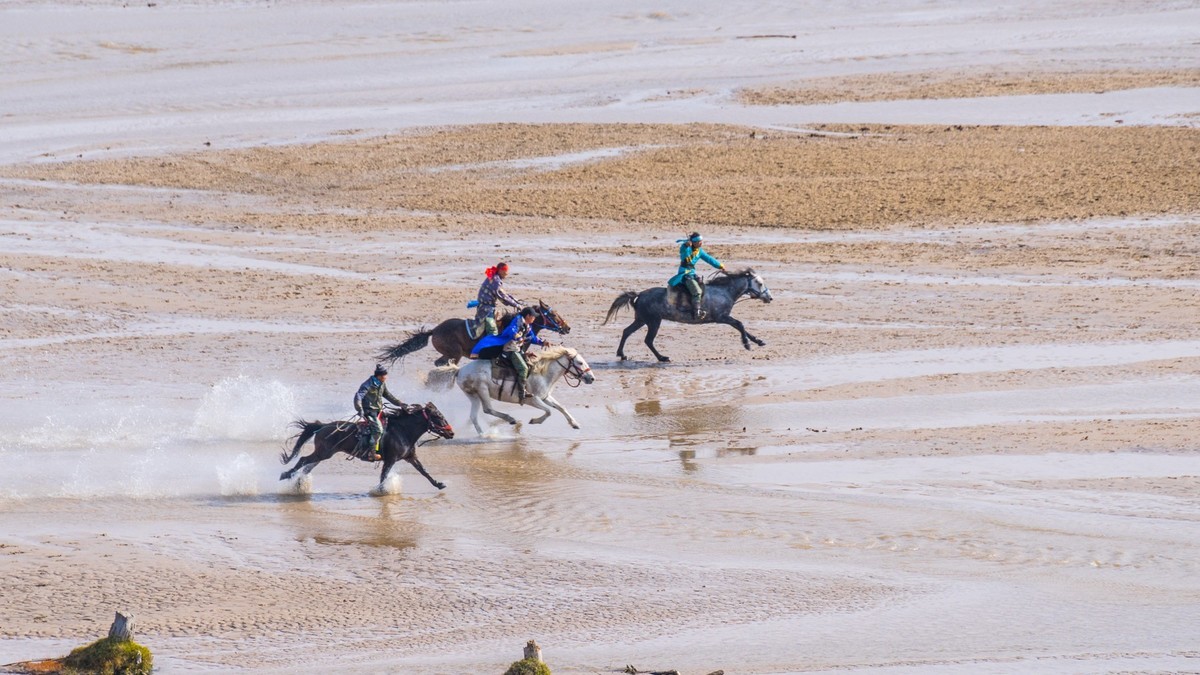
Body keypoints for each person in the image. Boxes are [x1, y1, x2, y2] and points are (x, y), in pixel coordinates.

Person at [471, 307, 552, 402]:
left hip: (518, 349)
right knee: (523, 369)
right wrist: (517, 337)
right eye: (533, 316)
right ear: (528, 316)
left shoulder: (527, 325)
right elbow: (510, 330)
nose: (534, 318)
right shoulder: (518, 320)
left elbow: (532, 337)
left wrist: (543, 342)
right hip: (511, 350)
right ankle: (522, 393)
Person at [668, 231, 727, 319]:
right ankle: (697, 312)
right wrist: (686, 246)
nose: (701, 243)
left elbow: (709, 259)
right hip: (685, 273)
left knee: (702, 286)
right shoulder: (686, 248)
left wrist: (720, 266)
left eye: (701, 241)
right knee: (697, 291)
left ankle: (698, 305)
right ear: (694, 242)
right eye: (699, 241)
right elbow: (684, 252)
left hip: (692, 273)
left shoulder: (699, 251)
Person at [353, 363, 406, 460]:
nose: (386, 377)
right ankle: (371, 452)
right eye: (385, 375)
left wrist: (400, 404)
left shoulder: (382, 384)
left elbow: (388, 395)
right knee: (378, 430)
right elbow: (358, 396)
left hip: (378, 410)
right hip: (369, 412)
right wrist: (359, 409)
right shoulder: (368, 384)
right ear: (379, 376)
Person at [474, 262, 523, 338]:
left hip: (486, 306)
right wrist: (516, 305)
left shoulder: (494, 277)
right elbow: (502, 296)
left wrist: (515, 300)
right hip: (486, 308)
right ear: (500, 271)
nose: (507, 274)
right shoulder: (495, 281)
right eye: (505, 271)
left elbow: (504, 294)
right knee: (492, 330)